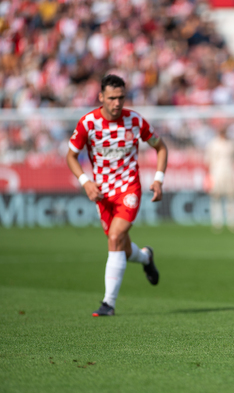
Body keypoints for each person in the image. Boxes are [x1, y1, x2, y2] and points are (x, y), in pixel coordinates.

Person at [66, 74, 168, 317]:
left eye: (121, 97)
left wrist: (158, 179)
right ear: (101, 97)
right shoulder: (88, 123)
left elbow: (160, 147)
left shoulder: (134, 120)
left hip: (129, 189)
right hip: (102, 195)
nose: (117, 103)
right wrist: (85, 181)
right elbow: (70, 156)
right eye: (112, 98)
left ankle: (108, 304)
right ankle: (145, 257)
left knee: (114, 237)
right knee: (120, 244)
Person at [205, 127, 234, 233]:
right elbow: (207, 160)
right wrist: (209, 176)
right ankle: (217, 222)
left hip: (229, 172)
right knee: (216, 197)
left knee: (231, 197)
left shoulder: (231, 144)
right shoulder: (212, 144)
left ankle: (232, 222)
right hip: (216, 173)